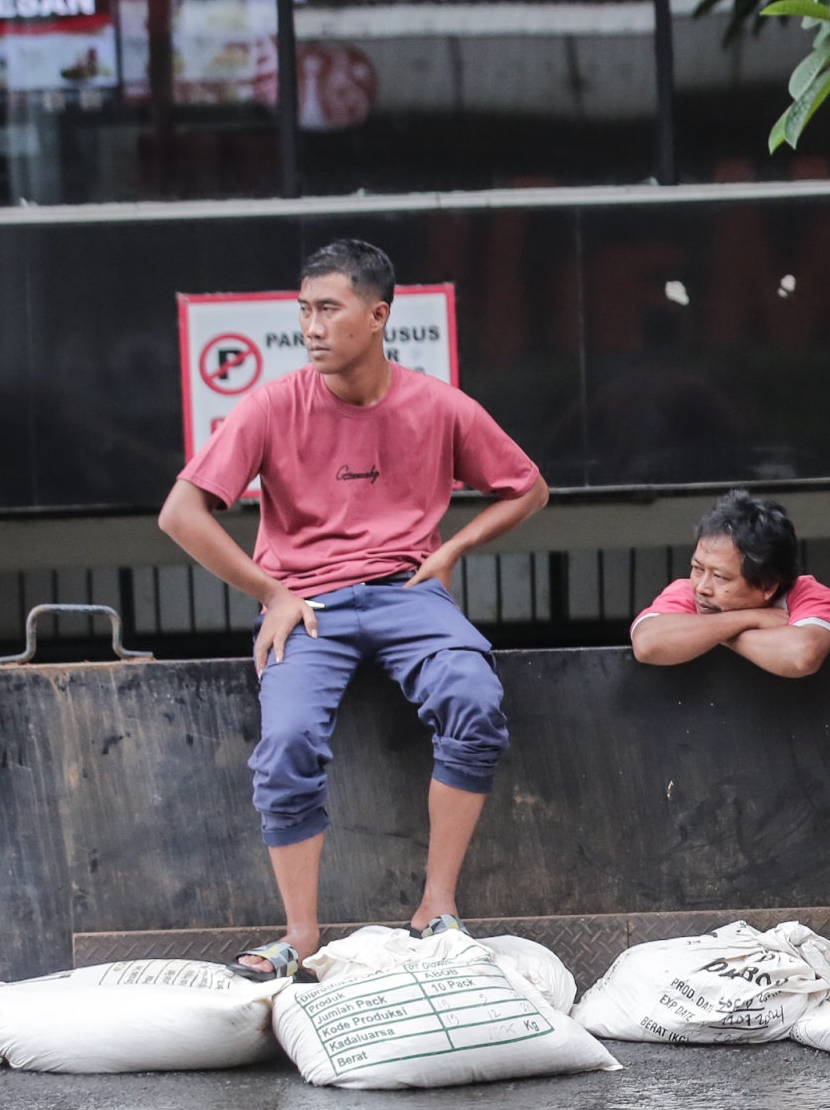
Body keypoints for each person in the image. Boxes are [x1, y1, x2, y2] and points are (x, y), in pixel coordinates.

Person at [158, 237, 549, 980]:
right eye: (303, 310)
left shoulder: (437, 404)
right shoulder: (273, 404)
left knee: (474, 698)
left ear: (377, 316)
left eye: (327, 309)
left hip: (409, 593)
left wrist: (452, 548)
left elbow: (528, 486)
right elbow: (181, 513)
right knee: (288, 747)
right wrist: (270, 591)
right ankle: (298, 935)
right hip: (306, 606)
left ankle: (437, 904)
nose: (310, 327)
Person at [630, 491, 830, 677]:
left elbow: (801, 655)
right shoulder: (686, 590)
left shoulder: (806, 593)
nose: (701, 587)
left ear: (768, 586)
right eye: (697, 568)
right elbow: (648, 643)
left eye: (720, 576)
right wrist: (749, 618)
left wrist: (711, 633)